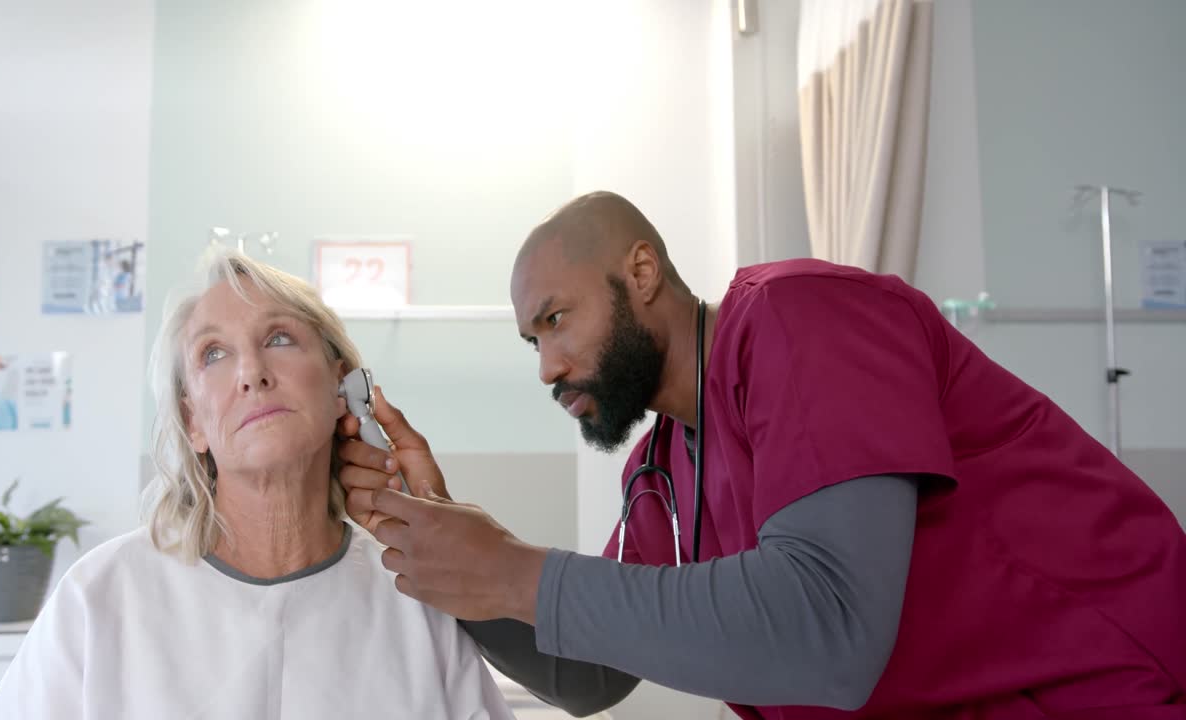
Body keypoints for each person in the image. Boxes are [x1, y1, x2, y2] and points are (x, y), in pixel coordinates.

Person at [336, 191, 1186, 719]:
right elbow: (589, 675)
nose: (547, 367)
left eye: (555, 320)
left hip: (1109, 694)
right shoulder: (660, 474)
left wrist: (512, 569)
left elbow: (830, 631)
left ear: (641, 272)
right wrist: (436, 542)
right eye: (530, 341)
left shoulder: (801, 317)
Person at [0, 250, 513, 720]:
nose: (251, 373)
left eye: (279, 338)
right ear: (193, 422)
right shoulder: (98, 600)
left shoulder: (414, 604)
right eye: (214, 353)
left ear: (342, 386)